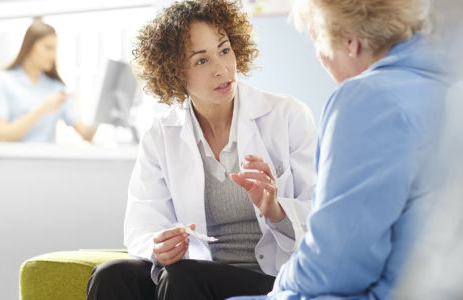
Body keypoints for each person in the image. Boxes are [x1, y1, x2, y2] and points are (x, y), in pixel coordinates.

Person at [86, 0, 317, 299]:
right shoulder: (160, 135)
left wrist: (276, 210)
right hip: (191, 276)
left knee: (184, 277)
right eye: (201, 60)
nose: (222, 68)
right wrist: (159, 246)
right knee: (112, 275)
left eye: (224, 50)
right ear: (174, 73)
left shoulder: (288, 116)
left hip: (271, 278)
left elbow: (321, 215)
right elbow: (142, 226)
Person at [230, 0, 451, 299]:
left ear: (350, 42)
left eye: (317, 41)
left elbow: (335, 263)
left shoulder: (367, 98)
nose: (320, 57)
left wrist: (280, 286)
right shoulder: (444, 82)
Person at [0, 20, 97, 143]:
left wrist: (103, 105)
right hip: (12, 161)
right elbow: (2, 135)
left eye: (54, 49)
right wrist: (42, 109)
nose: (53, 55)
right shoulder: (3, 83)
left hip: (46, 161)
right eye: (48, 48)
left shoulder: (57, 88)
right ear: (29, 47)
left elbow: (86, 134)